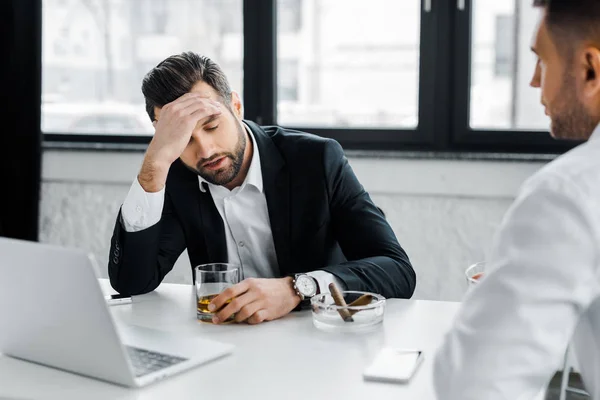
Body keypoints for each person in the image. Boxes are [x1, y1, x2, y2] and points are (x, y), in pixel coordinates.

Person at [108, 52, 415, 325]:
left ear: (236, 106)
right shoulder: (174, 177)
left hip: (318, 339)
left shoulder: (316, 160)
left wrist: (298, 288)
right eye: (184, 138)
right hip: (224, 346)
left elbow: (397, 269)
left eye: (212, 125)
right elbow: (132, 282)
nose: (205, 150)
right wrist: (152, 171)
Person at [434, 1, 600, 398]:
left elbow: (475, 384)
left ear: (590, 69)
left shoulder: (570, 192)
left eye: (541, 61)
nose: (533, 81)